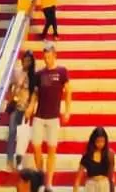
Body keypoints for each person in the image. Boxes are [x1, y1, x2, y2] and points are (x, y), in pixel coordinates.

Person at [25, 41, 72, 191]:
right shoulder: (39, 74)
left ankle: (48, 182)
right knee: (36, 147)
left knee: (52, 150)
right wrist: (30, 107)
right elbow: (35, 94)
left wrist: (67, 110)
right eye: (45, 57)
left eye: (49, 57)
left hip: (53, 117)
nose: (47, 59)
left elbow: (69, 91)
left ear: (54, 56)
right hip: (39, 116)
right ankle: (40, 176)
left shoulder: (62, 71)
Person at [7, 50, 35, 171]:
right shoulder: (16, 72)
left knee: (22, 135)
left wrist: (31, 107)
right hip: (16, 106)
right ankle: (9, 162)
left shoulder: (34, 75)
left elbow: (35, 93)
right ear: (22, 60)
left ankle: (19, 161)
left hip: (26, 108)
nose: (27, 63)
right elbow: (10, 85)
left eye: (29, 61)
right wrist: (10, 97)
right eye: (25, 60)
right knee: (12, 133)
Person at [73, 126, 116, 192]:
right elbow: (78, 178)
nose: (100, 144)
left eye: (102, 141)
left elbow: (112, 175)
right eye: (98, 141)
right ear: (93, 141)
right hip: (91, 185)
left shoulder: (109, 154)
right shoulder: (87, 155)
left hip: (104, 185)